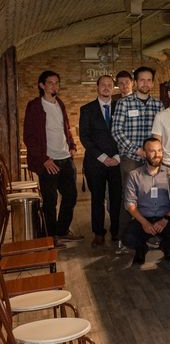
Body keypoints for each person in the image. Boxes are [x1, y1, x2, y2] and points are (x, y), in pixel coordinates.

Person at [24, 71, 81, 243]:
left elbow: (65, 128)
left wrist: (72, 145)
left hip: (66, 159)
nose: (54, 86)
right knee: (50, 202)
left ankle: (62, 231)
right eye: (50, 83)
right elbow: (29, 137)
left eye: (57, 83)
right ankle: (50, 237)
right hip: (49, 161)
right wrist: (44, 159)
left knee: (70, 197)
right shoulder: (35, 106)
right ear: (42, 85)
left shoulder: (60, 104)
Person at [111, 66, 164, 252]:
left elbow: (162, 132)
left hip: (152, 160)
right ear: (135, 82)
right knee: (129, 199)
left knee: (152, 198)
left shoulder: (158, 105)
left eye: (149, 80)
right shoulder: (124, 103)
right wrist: (138, 150)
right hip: (131, 158)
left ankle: (150, 236)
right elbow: (116, 131)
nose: (145, 83)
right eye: (142, 80)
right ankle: (123, 239)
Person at [123, 138, 170, 265]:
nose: (157, 154)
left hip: (165, 217)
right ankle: (141, 248)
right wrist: (144, 223)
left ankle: (166, 246)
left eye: (159, 150)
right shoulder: (134, 175)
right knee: (127, 238)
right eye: (152, 151)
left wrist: (165, 220)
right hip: (142, 218)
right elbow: (130, 204)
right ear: (144, 153)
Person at [79, 75, 122, 247]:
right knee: (97, 199)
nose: (106, 87)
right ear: (97, 87)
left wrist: (117, 157)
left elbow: (125, 132)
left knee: (117, 198)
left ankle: (116, 230)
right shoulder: (86, 109)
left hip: (117, 161)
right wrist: (103, 157)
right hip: (95, 162)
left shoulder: (120, 106)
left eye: (109, 85)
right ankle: (98, 232)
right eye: (103, 85)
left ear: (113, 88)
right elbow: (84, 137)